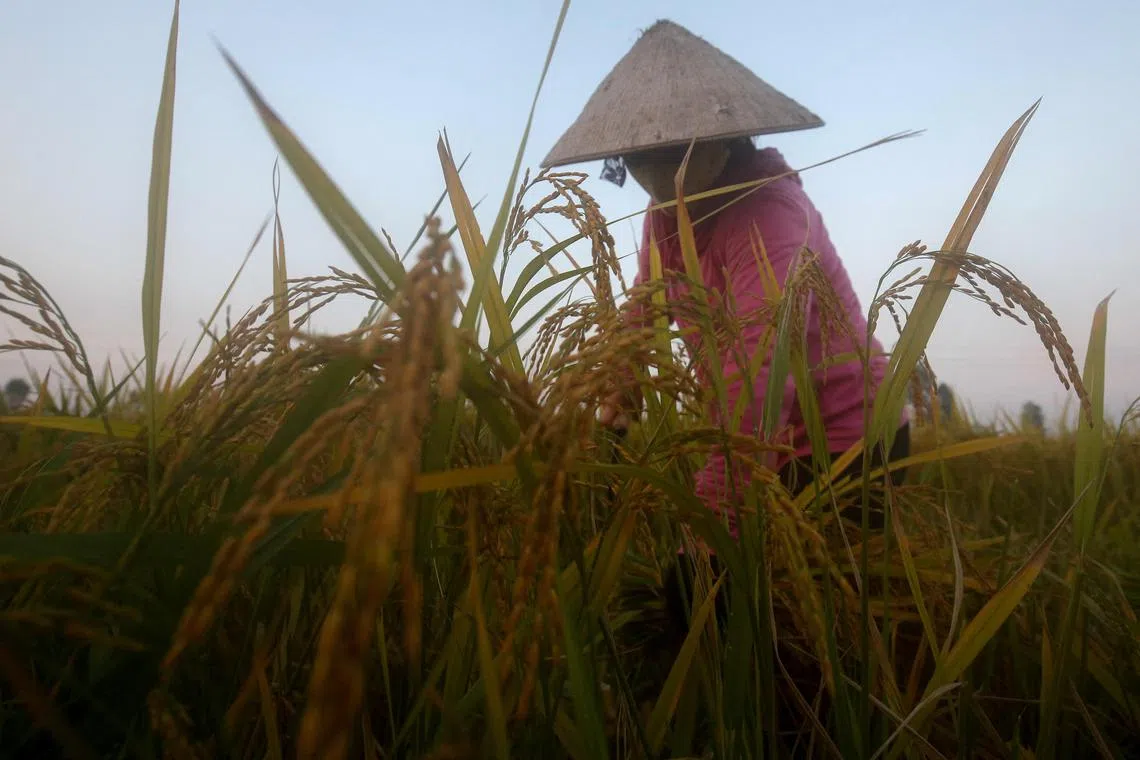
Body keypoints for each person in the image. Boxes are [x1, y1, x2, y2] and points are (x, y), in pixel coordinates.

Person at [541, 20, 910, 638]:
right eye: (642, 157)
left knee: (813, 620)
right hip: (765, 435)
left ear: (724, 138)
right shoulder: (666, 216)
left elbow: (760, 370)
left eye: (676, 153)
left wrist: (710, 525)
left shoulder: (768, 210)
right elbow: (644, 306)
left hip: (848, 438)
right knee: (742, 613)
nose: (658, 173)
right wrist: (616, 391)